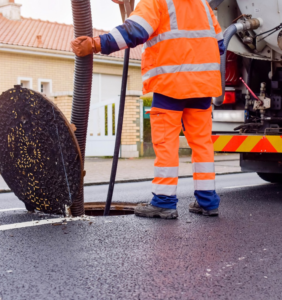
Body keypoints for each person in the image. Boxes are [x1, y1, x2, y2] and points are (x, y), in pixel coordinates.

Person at [71, 0, 225, 219]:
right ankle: (208, 202)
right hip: (203, 86)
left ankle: (164, 202)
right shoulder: (202, 5)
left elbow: (135, 31)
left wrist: (96, 44)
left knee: (166, 143)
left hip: (170, 85)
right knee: (202, 144)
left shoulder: (158, 1)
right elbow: (219, 44)